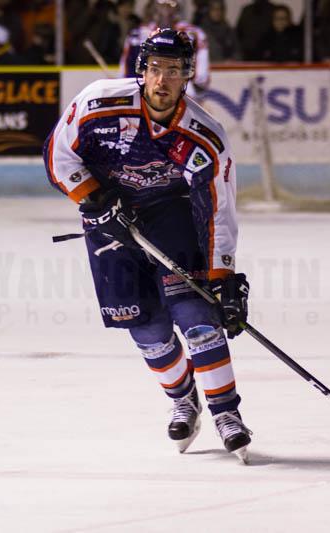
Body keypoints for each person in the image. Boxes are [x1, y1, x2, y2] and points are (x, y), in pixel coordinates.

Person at [43, 29, 253, 462]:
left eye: (174, 71)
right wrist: (96, 200)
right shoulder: (98, 103)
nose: (163, 80)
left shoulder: (204, 136)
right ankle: (183, 399)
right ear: (142, 69)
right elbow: (57, 155)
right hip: (107, 218)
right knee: (146, 329)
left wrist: (222, 276)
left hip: (169, 215)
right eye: (156, 68)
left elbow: (218, 208)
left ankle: (226, 413)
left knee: (195, 315)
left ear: (187, 76)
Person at [119, 0, 210, 96]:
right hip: (143, 88)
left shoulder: (194, 33)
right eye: (161, 5)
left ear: (177, 7)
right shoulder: (137, 33)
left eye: (170, 5)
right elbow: (126, 69)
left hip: (182, 88)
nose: (165, 11)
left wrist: (192, 87)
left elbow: (201, 76)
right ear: (154, 6)